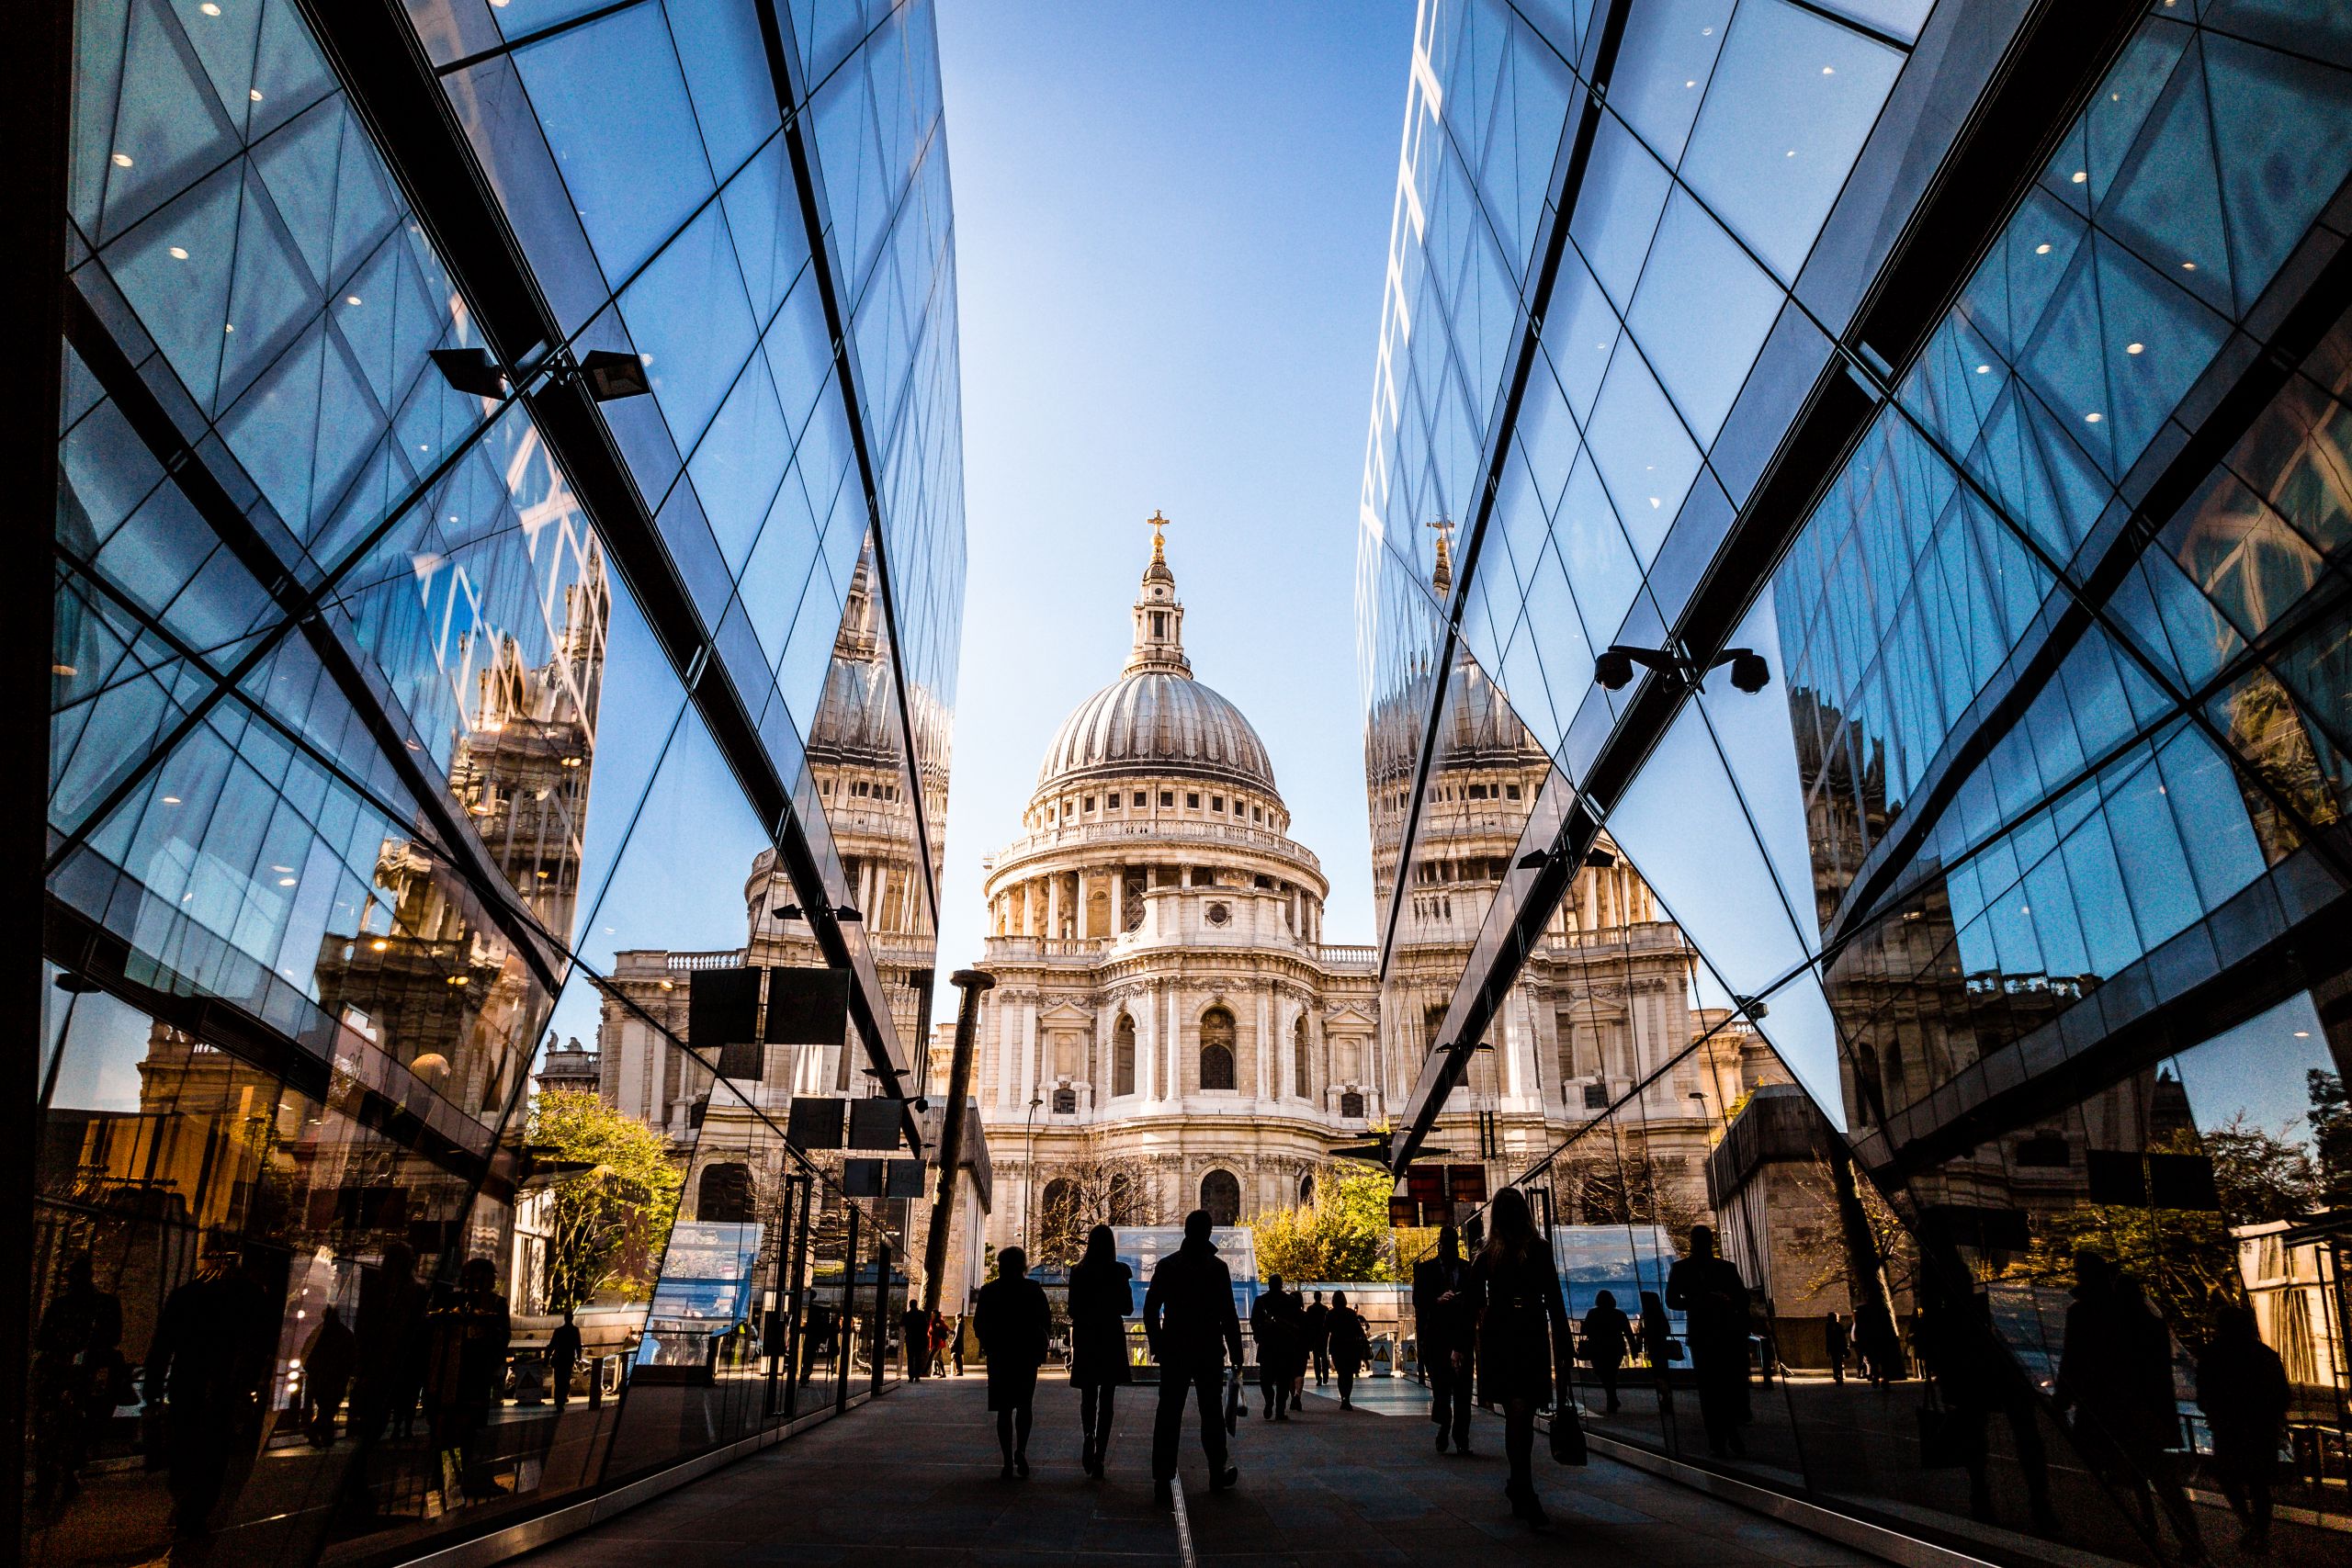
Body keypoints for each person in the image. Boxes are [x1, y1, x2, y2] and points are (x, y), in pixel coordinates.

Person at [2056, 1253, 2205, 1562]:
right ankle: (2186, 1538)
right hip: (2144, 1409)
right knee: (2158, 1476)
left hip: (2103, 1409)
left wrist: (2063, 1400)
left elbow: (2074, 1362)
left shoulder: (2083, 1314)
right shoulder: (2145, 1320)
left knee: (2120, 1473)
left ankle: (2142, 1530)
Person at [145, 1241, 275, 1551]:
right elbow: (258, 1347)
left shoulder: (186, 1296)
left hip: (188, 1384)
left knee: (185, 1446)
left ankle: (187, 1503)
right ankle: (194, 1511)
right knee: (214, 1453)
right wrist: (248, 1384)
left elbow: (162, 1346)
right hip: (222, 1388)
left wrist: (152, 1388)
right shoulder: (249, 1298)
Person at [1472, 1189, 1572, 1528]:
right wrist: (1563, 1345)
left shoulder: (1488, 1254)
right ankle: (1522, 1486)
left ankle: (1520, 1483)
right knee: (1521, 1409)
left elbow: (1471, 1299)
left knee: (1518, 1410)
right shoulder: (1539, 1250)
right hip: (1529, 1332)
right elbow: (1555, 1301)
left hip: (1501, 1335)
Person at [1145, 1209, 1243, 1506]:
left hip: (1175, 1349)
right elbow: (1229, 1315)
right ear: (1209, 1232)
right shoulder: (1217, 1268)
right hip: (1208, 1349)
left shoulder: (1168, 1266)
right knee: (1211, 1413)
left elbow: (1150, 1310)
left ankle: (1162, 1478)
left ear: (1186, 1232)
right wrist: (1237, 1355)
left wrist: (1158, 1346)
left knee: (1168, 1414)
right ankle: (1216, 1471)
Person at [32, 1252, 124, 1513]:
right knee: (55, 1430)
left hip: (84, 1377)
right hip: (64, 1377)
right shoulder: (66, 1307)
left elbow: (112, 1338)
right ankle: (52, 1479)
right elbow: (45, 1340)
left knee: (76, 1427)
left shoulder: (100, 1306)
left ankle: (63, 1470)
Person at [2198, 1303, 2288, 1554]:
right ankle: (2260, 1531)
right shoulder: (2265, 1355)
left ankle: (2249, 1525)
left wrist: (2217, 1412)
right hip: (2261, 1428)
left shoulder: (2212, 1356)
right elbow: (2282, 1395)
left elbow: (2204, 1395)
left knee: (2228, 1478)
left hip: (2228, 1428)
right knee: (2259, 1484)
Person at [423, 1258, 511, 1499]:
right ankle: (451, 1480)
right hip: (457, 1379)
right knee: (454, 1434)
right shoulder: (456, 1302)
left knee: (466, 1433)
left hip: (464, 1379)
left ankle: (458, 1480)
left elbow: (501, 1339)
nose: (493, 1281)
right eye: (489, 1276)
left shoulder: (486, 1304)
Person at [1667, 1225, 1751, 1458]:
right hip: (1720, 1333)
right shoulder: (1724, 1268)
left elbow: (1673, 1301)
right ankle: (1726, 1435)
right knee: (1720, 1387)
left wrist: (1697, 1301)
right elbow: (1743, 1299)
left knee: (1711, 1390)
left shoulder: (1683, 1269)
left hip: (1708, 1334)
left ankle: (1719, 1438)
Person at [974, 1246, 1051, 1478]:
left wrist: (990, 1342)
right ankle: (1021, 1450)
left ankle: (1007, 1460)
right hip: (1026, 1356)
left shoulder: (989, 1291)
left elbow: (979, 1325)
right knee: (1025, 1406)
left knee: (1004, 1410)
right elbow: (1045, 1321)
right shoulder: (1033, 1289)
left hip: (1000, 1356)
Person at [1068, 1224, 1135, 1478]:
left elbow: (1072, 1310)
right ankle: (1101, 1457)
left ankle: (1088, 1434)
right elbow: (1127, 1308)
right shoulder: (1119, 1271)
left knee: (1088, 1395)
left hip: (1086, 1336)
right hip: (1110, 1336)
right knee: (1108, 1399)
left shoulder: (1078, 1271)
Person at [1413, 1224, 1476, 1451]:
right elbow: (1418, 1301)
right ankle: (1445, 1424)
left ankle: (1461, 1436)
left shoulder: (1468, 1269)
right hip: (1437, 1339)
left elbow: (1477, 1302)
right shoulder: (1426, 1270)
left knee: (1463, 1391)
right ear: (1440, 1245)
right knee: (1441, 1389)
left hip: (1462, 1337)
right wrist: (1437, 1300)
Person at [301, 1303, 357, 1447]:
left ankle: (325, 1437)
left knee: (325, 1408)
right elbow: (351, 1356)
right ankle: (318, 1433)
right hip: (336, 1377)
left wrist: (311, 1370)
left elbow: (306, 1352)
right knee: (329, 1408)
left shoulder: (319, 1332)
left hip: (319, 1376)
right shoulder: (344, 1334)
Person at [1250, 1273, 1297, 1420]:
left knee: (1265, 1378)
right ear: (1281, 1284)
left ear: (1269, 1284)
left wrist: (1259, 1336)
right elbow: (1297, 1323)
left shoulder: (1261, 1301)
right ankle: (1280, 1410)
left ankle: (1269, 1399)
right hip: (1285, 1346)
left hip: (1267, 1345)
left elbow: (1254, 1321)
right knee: (1283, 1379)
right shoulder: (1290, 1300)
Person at [1580, 1289, 1631, 1416]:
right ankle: (1612, 1398)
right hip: (1616, 1348)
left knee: (1602, 1373)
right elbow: (1628, 1333)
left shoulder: (1592, 1313)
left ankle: (1611, 1398)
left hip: (1597, 1348)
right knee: (1612, 1373)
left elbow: (1585, 1331)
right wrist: (1634, 1349)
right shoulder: (1620, 1314)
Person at [1328, 1291, 1369, 1409]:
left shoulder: (1331, 1314)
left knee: (1341, 1373)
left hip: (1337, 1345)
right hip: (1351, 1346)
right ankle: (1347, 1398)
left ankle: (1343, 1398)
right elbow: (1358, 1329)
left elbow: (1326, 1329)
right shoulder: (1350, 1313)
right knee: (1349, 1373)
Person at [548, 1306, 583, 1407]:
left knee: (558, 1380)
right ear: (572, 1318)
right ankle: (563, 1398)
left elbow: (552, 1345)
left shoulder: (558, 1331)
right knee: (566, 1379)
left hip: (558, 1358)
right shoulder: (575, 1330)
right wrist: (579, 1357)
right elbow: (578, 1345)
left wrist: (547, 1358)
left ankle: (558, 1399)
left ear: (564, 1318)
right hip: (568, 1358)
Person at [798, 1302, 834, 1385]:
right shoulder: (817, 1325)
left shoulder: (812, 1324)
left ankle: (804, 1378)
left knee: (807, 1362)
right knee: (808, 1362)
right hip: (811, 1345)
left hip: (809, 1345)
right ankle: (804, 1378)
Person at [1305, 1291, 1331, 1387]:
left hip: (1314, 1336)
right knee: (1324, 1356)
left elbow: (1307, 1323)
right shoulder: (1325, 1309)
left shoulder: (1310, 1309)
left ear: (1314, 1298)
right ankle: (1325, 1377)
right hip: (1323, 1336)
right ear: (1321, 1298)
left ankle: (1318, 1378)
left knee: (1316, 1358)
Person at [901, 1300, 931, 1382]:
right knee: (918, 1358)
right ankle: (917, 1376)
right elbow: (925, 1326)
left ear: (910, 1305)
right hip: (919, 1339)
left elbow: (902, 1324)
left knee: (910, 1359)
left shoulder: (907, 1315)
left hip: (910, 1339)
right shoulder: (921, 1314)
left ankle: (911, 1377)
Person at [1824, 1311, 1849, 1385]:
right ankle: (1839, 1376)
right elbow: (1842, 1338)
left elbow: (1828, 1339)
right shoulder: (1838, 1326)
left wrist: (1827, 1349)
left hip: (1834, 1347)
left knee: (1836, 1362)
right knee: (1838, 1362)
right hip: (1838, 1347)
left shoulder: (1829, 1326)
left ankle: (1838, 1376)